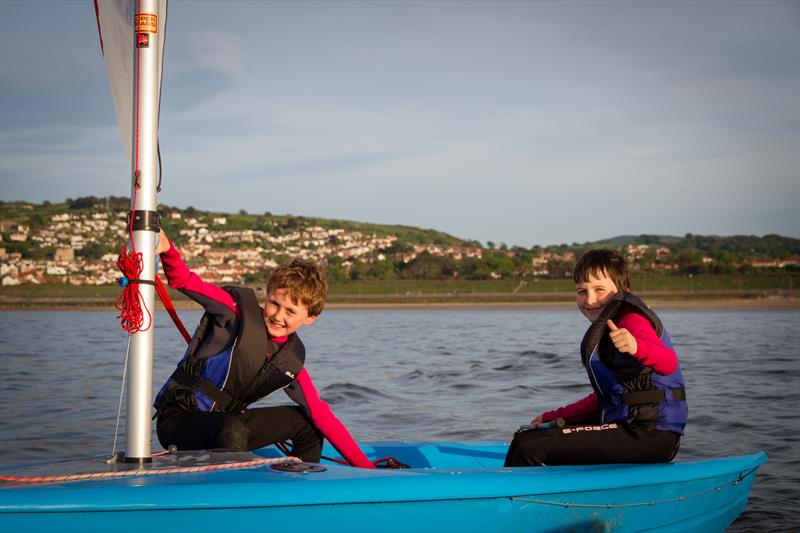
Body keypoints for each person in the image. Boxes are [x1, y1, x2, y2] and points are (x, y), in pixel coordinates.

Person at [152, 229, 375, 468]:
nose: (279, 316)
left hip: (226, 427)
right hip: (178, 422)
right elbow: (184, 280)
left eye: (291, 311)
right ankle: (232, 494)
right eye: (274, 304)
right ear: (266, 296)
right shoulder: (233, 313)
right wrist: (168, 248)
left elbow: (323, 417)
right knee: (232, 429)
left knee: (307, 424)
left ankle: (299, 490)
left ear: (310, 318)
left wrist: (368, 469)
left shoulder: (290, 363)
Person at [504, 249, 687, 467]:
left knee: (529, 446)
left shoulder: (631, 320)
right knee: (526, 438)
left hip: (651, 433)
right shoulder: (608, 329)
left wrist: (636, 346)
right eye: (582, 291)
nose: (590, 299)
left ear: (622, 290)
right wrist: (553, 417)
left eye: (599, 289)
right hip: (631, 425)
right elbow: (607, 397)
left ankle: (508, 499)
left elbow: (668, 362)